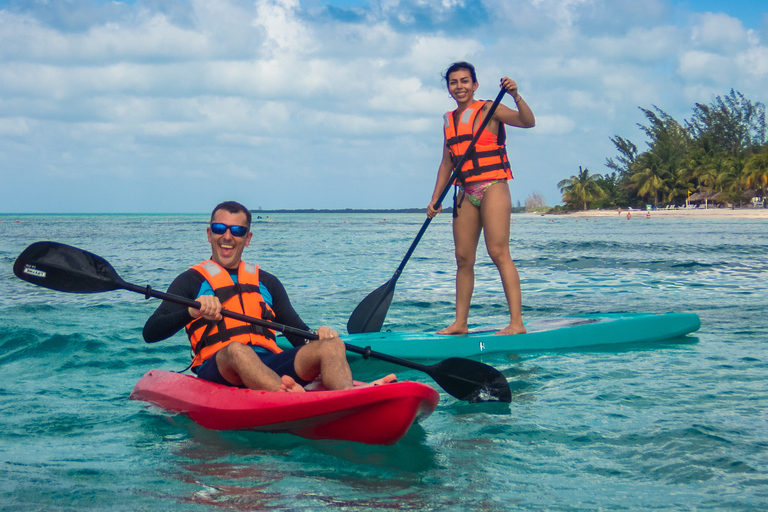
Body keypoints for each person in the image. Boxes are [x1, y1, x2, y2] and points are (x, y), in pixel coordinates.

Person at [143, 201, 395, 392]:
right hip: (221, 367)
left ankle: (349, 397)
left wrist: (320, 338)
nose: (227, 236)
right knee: (237, 350)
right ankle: (290, 399)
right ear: (209, 234)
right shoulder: (191, 280)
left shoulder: (267, 282)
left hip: (270, 364)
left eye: (237, 230)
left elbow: (299, 336)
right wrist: (192, 311)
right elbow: (151, 332)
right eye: (220, 228)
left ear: (248, 238)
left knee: (332, 346)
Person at [426, 61, 535, 336]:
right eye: (454, 82)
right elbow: (446, 164)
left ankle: (516, 323)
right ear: (448, 88)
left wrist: (515, 95)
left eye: (465, 81)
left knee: (498, 252)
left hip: (493, 186)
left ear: (474, 85)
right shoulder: (448, 120)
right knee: (463, 259)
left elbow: (527, 121)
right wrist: (435, 199)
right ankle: (460, 323)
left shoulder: (490, 108)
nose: (459, 86)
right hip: (464, 192)